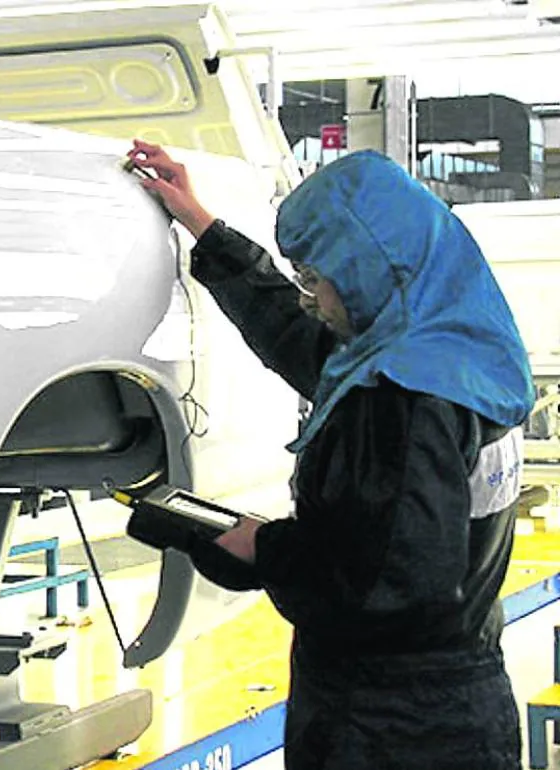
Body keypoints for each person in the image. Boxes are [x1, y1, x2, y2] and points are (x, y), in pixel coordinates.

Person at [123, 140, 534, 769]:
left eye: (316, 278)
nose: (310, 297)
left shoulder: (403, 399)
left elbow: (379, 588)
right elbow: (302, 340)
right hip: (457, 692)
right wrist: (203, 225)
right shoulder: (457, 349)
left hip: (389, 727)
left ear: (370, 267)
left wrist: (261, 548)